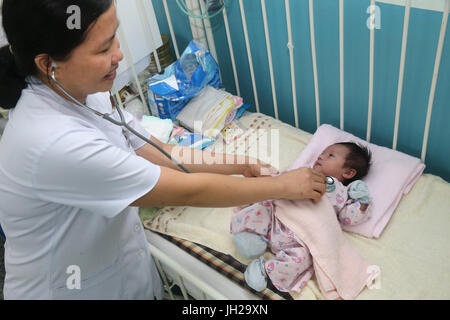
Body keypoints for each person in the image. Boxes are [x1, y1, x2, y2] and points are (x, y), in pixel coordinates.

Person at [0, 0, 326, 300]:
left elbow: (159, 151)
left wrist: (241, 163)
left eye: (115, 38)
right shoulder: (51, 142)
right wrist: (283, 185)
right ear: (47, 64)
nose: (118, 55)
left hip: (121, 270)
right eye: (102, 49)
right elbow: (188, 192)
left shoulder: (82, 90)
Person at [230, 142, 373, 292]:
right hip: (277, 218)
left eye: (330, 155)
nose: (321, 156)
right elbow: (278, 184)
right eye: (322, 152)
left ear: (348, 173)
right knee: (264, 205)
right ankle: (252, 236)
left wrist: (362, 200)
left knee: (304, 259)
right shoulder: (303, 173)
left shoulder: (343, 192)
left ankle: (264, 271)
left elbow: (348, 218)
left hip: (301, 238)